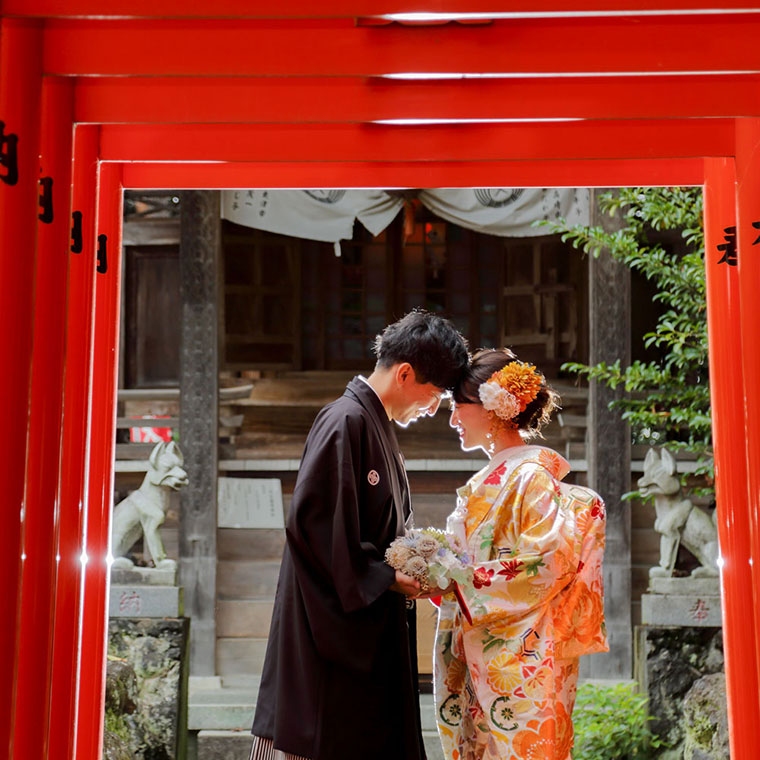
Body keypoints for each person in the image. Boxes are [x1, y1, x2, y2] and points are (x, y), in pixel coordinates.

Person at [250, 310, 469, 760]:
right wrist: (384, 577)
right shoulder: (345, 421)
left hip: (364, 626)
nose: (432, 409)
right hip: (328, 637)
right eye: (434, 395)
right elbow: (317, 530)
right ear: (405, 373)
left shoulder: (372, 424)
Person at [433, 349, 608, 760]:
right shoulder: (500, 476)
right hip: (484, 646)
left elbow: (549, 561)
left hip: (525, 652)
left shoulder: (529, 475)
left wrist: (460, 582)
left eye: (459, 408)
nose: (454, 420)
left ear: (494, 409)